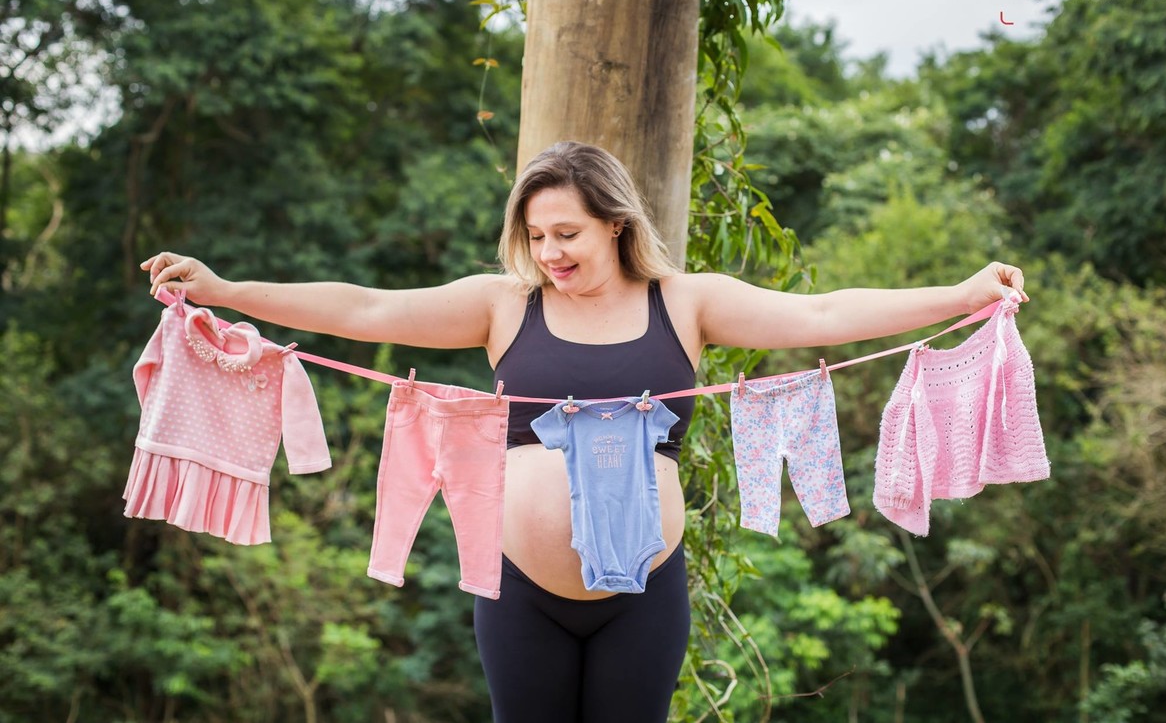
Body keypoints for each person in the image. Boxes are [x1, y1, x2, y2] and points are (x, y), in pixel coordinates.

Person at [142, 140, 1027, 723]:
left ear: (615, 222)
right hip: (518, 586)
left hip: (645, 589)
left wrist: (960, 295)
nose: (551, 252)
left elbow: (826, 308)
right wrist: (227, 289)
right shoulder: (502, 306)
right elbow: (366, 304)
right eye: (536, 235)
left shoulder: (687, 303)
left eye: (567, 232)